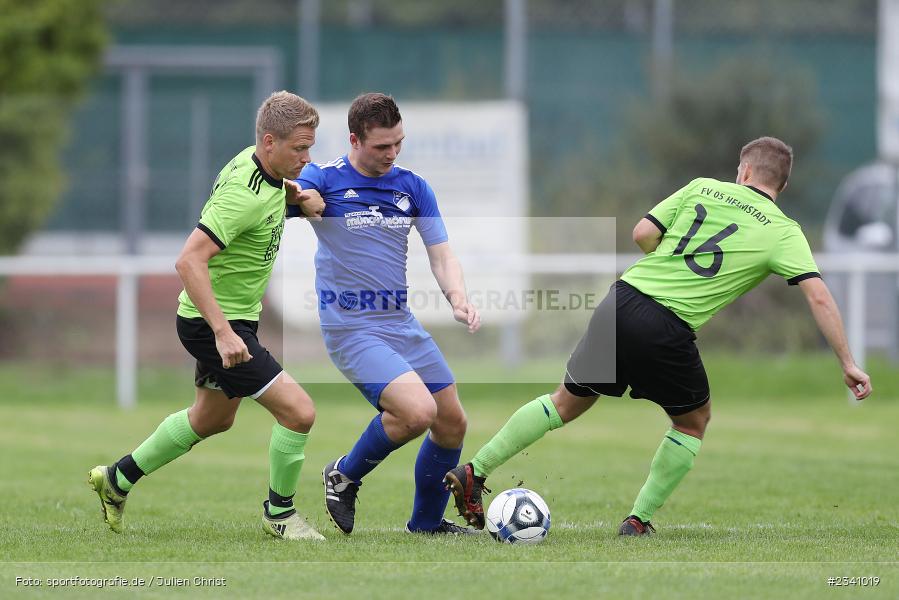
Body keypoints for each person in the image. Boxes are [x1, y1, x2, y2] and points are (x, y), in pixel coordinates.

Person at [444, 136, 873, 536]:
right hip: (665, 324)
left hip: (623, 298)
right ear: (782, 183)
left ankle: (476, 470)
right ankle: (638, 520)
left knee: (565, 401)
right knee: (693, 421)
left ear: (743, 171)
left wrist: (669, 261)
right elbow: (819, 299)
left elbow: (642, 234)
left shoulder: (703, 186)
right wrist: (848, 362)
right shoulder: (783, 231)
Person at [88, 91, 328, 540]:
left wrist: (295, 199)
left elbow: (267, 201)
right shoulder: (243, 194)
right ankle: (280, 516)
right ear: (270, 141)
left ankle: (116, 479)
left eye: (310, 146)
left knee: (213, 418)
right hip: (215, 325)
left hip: (230, 321)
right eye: (300, 148)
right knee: (299, 412)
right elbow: (188, 261)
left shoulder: (259, 164)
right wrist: (223, 333)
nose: (307, 157)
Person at [286, 92, 480, 535]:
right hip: (352, 326)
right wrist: (300, 198)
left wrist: (458, 297)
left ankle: (427, 525)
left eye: (399, 143)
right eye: (381, 147)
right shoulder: (326, 177)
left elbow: (441, 253)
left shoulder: (412, 186)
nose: (392, 154)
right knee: (416, 413)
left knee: (451, 422)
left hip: (399, 323)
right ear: (355, 139)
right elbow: (286, 187)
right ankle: (343, 475)